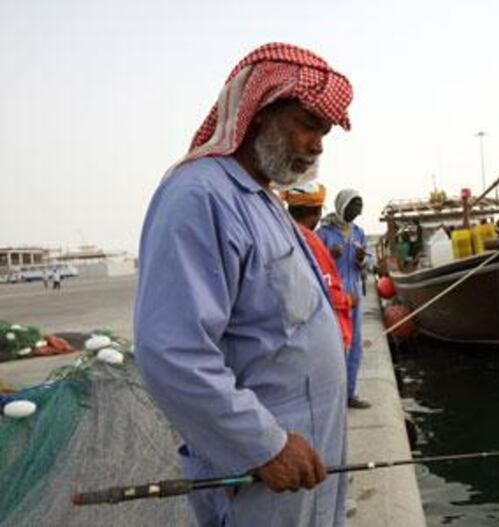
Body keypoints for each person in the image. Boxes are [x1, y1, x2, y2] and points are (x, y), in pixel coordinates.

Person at [133, 43, 353, 527]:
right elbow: (172, 351)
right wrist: (263, 445)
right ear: (258, 113)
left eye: (324, 132)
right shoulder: (199, 197)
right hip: (261, 472)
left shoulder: (265, 202)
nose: (317, 145)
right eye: (307, 124)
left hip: (307, 461)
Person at [317, 190, 372, 410]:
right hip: (334, 297)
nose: (358, 209)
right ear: (342, 205)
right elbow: (315, 262)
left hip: (355, 296)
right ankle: (332, 396)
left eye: (360, 205)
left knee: (356, 345)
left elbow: (367, 263)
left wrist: (361, 260)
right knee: (335, 346)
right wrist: (331, 255)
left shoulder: (359, 232)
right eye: (354, 204)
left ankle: (350, 393)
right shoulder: (324, 233)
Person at [283, 183, 353, 352]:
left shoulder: (279, 234)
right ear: (317, 211)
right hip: (322, 337)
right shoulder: (311, 240)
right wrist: (349, 300)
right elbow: (328, 291)